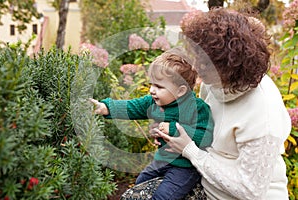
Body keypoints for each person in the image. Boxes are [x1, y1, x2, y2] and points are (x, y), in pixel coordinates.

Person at [121, 8, 292, 200]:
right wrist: (174, 135)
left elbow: (250, 191)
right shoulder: (214, 85)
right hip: (205, 184)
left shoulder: (263, 114)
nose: (194, 67)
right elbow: (201, 126)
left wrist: (189, 150)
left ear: (228, 66)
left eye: (203, 62)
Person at [89, 47, 214, 200]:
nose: (152, 90)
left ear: (181, 91)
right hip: (162, 160)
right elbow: (131, 107)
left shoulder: (197, 107)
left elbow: (206, 136)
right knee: (141, 183)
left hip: (186, 167)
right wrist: (105, 107)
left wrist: (173, 129)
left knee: (164, 196)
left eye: (159, 87)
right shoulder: (153, 103)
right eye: (152, 84)